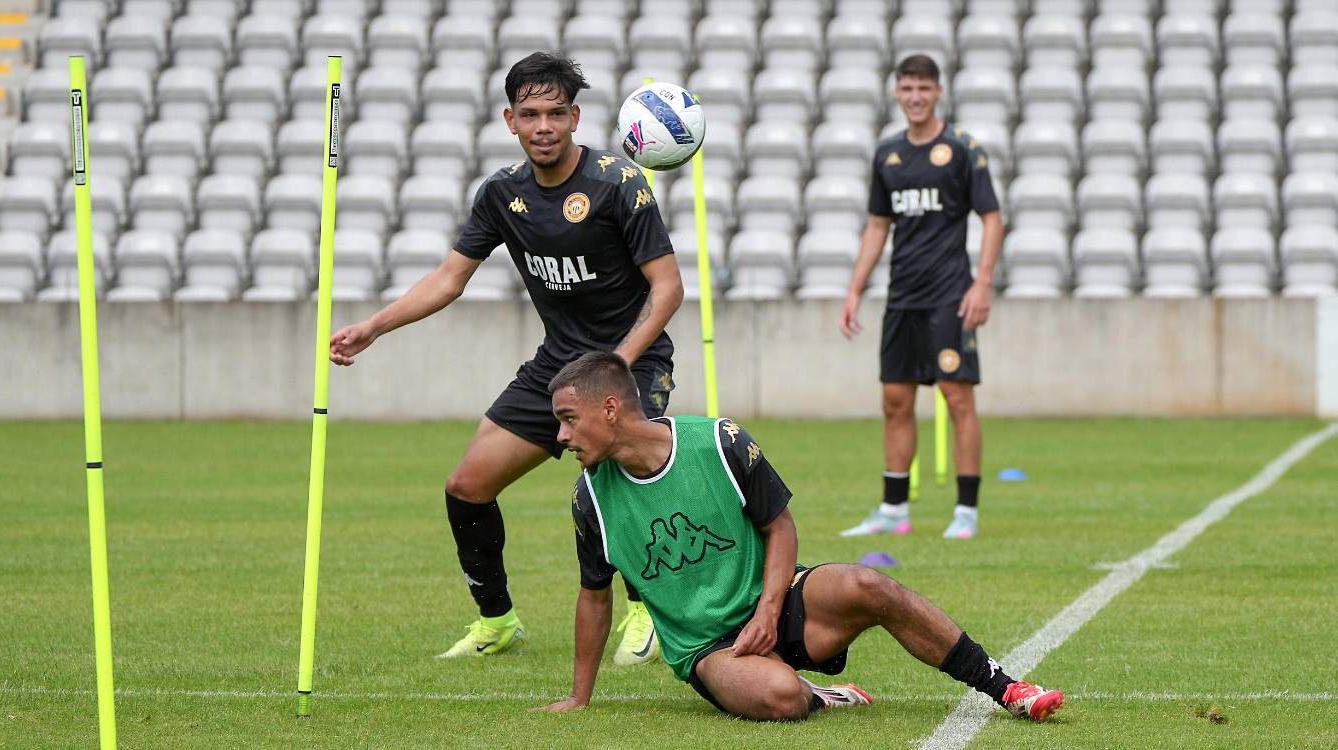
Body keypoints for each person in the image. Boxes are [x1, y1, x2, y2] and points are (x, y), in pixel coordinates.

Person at [329, 53, 684, 662]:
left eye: (554, 113)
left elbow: (668, 288)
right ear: (509, 121)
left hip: (633, 362)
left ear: (575, 118)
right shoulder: (500, 194)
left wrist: (618, 363)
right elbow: (448, 278)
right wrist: (375, 326)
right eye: (529, 115)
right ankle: (498, 622)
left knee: (610, 485)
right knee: (467, 487)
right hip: (557, 368)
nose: (542, 126)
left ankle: (643, 609)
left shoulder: (619, 183)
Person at [537, 352, 1064, 722]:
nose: (560, 437)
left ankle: (1007, 688)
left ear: (609, 409)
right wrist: (579, 698)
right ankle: (825, 696)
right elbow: (594, 596)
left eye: (568, 419)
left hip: (779, 601)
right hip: (708, 648)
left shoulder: (719, 442)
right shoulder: (590, 499)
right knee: (781, 697)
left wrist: (768, 612)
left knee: (869, 585)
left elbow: (779, 525)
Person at [838, 54, 1004, 540]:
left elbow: (991, 217)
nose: (915, 97)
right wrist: (854, 290)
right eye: (907, 88)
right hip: (903, 298)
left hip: (950, 296)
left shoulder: (961, 149)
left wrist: (983, 282)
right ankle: (893, 510)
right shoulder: (887, 154)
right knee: (894, 400)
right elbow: (877, 226)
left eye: (923, 89)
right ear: (896, 92)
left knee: (957, 398)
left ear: (938, 93)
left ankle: (966, 511)